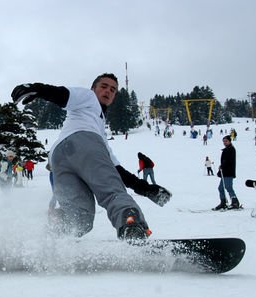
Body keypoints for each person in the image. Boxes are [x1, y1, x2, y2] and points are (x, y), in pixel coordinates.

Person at [11, 73, 171, 241]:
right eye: (104, 86)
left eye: (113, 90)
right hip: (84, 143)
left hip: (59, 158)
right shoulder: (89, 98)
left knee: (80, 217)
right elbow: (64, 95)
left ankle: (49, 237)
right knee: (112, 192)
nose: (108, 91)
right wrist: (37, 88)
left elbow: (116, 169)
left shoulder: (99, 129)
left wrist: (144, 188)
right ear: (93, 89)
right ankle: (131, 226)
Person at [213, 136, 240, 210]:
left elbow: (229, 160)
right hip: (224, 172)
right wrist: (221, 167)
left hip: (229, 172)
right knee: (220, 188)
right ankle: (223, 202)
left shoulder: (231, 149)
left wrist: (223, 165)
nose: (224, 142)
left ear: (229, 141)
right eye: (224, 141)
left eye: (226, 141)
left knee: (228, 187)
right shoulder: (226, 149)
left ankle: (235, 202)